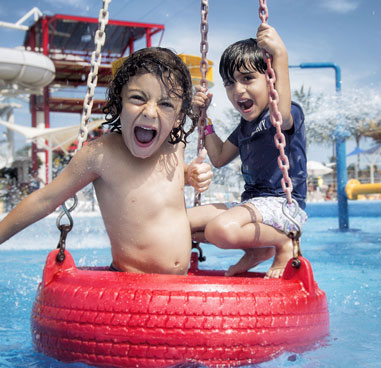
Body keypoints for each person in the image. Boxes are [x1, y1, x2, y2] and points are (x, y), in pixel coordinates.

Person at [0, 47, 213, 275]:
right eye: (138, 98)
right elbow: (45, 200)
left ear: (178, 117)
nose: (150, 112)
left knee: (227, 216)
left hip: (178, 284)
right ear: (118, 103)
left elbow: (165, 180)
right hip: (128, 284)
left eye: (166, 104)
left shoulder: (174, 145)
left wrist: (189, 174)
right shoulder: (100, 155)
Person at [188, 23, 307, 278]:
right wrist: (203, 119)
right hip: (252, 204)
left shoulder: (284, 114)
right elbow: (218, 157)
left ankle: (285, 241)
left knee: (218, 230)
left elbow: (282, 114)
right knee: (182, 222)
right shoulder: (244, 128)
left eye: (248, 78)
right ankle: (258, 250)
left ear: (270, 78)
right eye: (230, 83)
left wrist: (280, 55)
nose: (238, 90)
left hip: (283, 206)